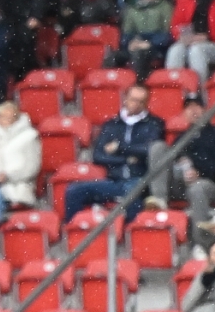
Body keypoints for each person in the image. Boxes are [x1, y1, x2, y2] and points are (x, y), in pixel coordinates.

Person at [63, 84, 161, 219]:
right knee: (74, 191)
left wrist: (119, 148)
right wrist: (126, 160)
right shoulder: (111, 125)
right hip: (114, 180)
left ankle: (130, 230)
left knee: (132, 192)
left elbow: (150, 150)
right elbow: (98, 156)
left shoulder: (154, 124)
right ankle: (73, 228)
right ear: (125, 99)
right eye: (133, 99)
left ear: (146, 103)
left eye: (141, 101)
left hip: (140, 180)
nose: (136, 104)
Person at [149, 95, 215, 249]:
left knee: (197, 188)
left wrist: (199, 171)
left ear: (205, 109)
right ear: (184, 113)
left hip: (207, 184)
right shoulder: (180, 138)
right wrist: (181, 166)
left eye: (197, 106)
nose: (193, 111)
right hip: (180, 183)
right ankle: (159, 199)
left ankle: (201, 243)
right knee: (158, 147)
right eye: (188, 107)